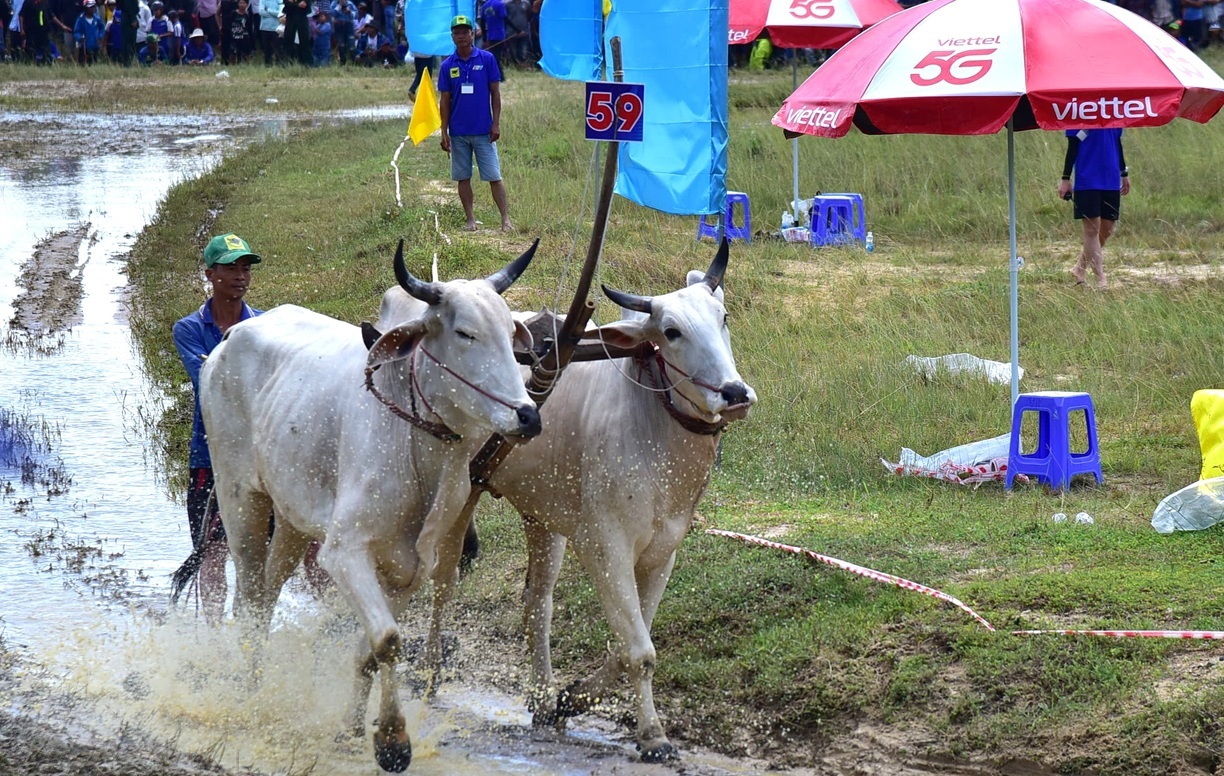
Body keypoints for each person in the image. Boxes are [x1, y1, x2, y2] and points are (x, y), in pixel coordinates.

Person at [171, 234, 262, 625]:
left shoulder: (265, 326)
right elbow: (207, 378)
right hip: (211, 456)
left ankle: (336, 623)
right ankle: (213, 636)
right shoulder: (189, 328)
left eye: (245, 268)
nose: (240, 276)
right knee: (212, 551)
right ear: (210, 275)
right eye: (230, 268)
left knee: (309, 544)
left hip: (263, 458)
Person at [439, 14, 511, 232]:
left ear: (473, 34)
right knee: (463, 177)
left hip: (484, 131)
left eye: (465, 32)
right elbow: (444, 100)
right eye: (457, 32)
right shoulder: (447, 65)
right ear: (452, 37)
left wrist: (496, 123)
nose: (461, 36)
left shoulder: (487, 59)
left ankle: (505, 219)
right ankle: (470, 219)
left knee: (494, 176)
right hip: (459, 131)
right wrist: (444, 131)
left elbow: (495, 94)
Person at [1058, 128, 1130, 291]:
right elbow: (1074, 144)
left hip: (1110, 178)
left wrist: (1124, 172)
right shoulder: (1081, 113)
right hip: (1087, 180)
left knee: (1108, 228)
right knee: (1091, 229)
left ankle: (1079, 268)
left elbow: (1117, 142)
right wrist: (1065, 178)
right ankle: (1101, 279)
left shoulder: (1113, 110)